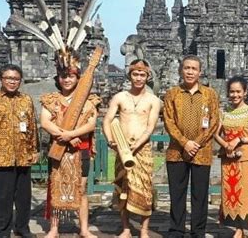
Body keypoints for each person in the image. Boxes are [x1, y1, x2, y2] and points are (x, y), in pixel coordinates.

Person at [0, 64, 39, 238]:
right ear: (1, 79)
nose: (12, 82)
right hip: (1, 156)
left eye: (16, 79)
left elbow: (32, 126)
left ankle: (22, 227)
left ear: (20, 81)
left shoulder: (26, 100)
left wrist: (35, 150)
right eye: (9, 78)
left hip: (23, 155)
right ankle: (2, 231)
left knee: (24, 198)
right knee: (2, 197)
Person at [40, 58, 100, 238]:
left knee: (81, 189)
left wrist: (70, 135)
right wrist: (65, 137)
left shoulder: (88, 100)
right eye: (63, 76)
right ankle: (54, 228)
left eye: (71, 76)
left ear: (78, 78)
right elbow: (45, 122)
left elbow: (91, 125)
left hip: (80, 149)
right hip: (58, 149)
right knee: (55, 187)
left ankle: (84, 229)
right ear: (58, 79)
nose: (67, 80)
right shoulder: (52, 100)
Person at [102, 59, 161, 238]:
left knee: (145, 189)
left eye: (142, 75)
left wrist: (139, 142)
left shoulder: (153, 100)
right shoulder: (120, 97)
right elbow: (107, 120)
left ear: (147, 76)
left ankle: (143, 230)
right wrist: (111, 139)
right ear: (130, 75)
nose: (139, 78)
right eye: (135, 74)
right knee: (123, 188)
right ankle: (126, 228)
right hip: (122, 148)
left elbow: (151, 126)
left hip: (142, 149)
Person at [163, 55, 220, 237]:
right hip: (176, 151)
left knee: (200, 195)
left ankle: (198, 231)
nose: (190, 72)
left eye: (194, 69)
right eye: (187, 68)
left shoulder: (210, 94)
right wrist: (185, 142)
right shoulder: (172, 93)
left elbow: (214, 121)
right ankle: (176, 230)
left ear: (200, 72)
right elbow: (169, 121)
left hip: (201, 152)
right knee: (177, 193)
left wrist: (196, 143)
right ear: (181, 70)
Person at [214, 76, 248, 238]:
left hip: (245, 158)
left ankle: (240, 230)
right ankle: (235, 227)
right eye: (232, 92)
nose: (235, 95)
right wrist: (225, 144)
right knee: (229, 192)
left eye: (238, 92)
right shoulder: (224, 112)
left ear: (245, 93)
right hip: (228, 157)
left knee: (244, 193)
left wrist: (239, 139)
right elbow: (215, 133)